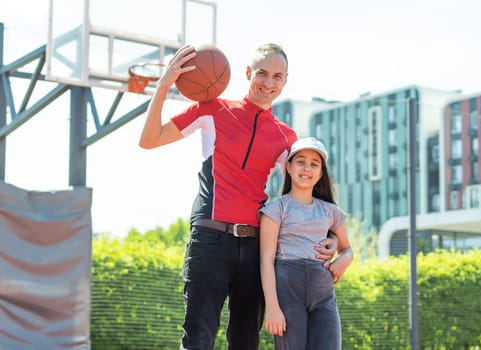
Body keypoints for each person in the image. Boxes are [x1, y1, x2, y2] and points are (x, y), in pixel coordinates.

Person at [139, 43, 338, 350]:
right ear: (248, 73)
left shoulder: (287, 138)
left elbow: (300, 199)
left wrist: (334, 238)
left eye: (277, 76)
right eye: (262, 73)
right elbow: (149, 140)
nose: (268, 82)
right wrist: (164, 86)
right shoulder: (211, 110)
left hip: (256, 247)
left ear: (285, 81)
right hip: (209, 240)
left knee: (246, 341)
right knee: (198, 339)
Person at [259, 137, 354, 350]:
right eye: (301, 161)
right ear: (289, 167)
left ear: (320, 173)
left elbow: (347, 249)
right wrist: (272, 307)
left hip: (323, 295)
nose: (307, 168)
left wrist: (344, 261)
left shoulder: (331, 212)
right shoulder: (276, 210)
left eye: (314, 164)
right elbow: (266, 260)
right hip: (287, 292)